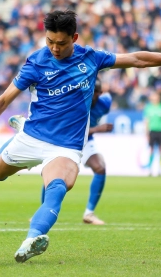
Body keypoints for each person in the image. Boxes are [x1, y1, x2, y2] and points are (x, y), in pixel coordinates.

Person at [0, 10, 161, 263]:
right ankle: (21, 127)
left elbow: (136, 59)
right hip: (31, 138)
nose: (54, 48)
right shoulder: (35, 62)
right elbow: (3, 100)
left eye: (61, 43)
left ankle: (31, 239)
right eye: (50, 41)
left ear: (74, 38)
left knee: (57, 188)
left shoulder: (91, 58)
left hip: (65, 147)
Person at [8, 78, 113, 225]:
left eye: (94, 92)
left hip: (86, 142)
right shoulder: (75, 103)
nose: (90, 94)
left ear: (99, 93)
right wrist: (97, 129)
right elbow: (70, 128)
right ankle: (43, 212)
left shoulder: (105, 103)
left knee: (100, 167)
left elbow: (108, 97)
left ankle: (89, 214)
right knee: (54, 175)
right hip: (66, 141)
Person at [143, 91, 161, 176]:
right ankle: (150, 169)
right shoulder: (148, 108)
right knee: (151, 150)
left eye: (156, 97)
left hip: (160, 131)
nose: (154, 99)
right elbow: (146, 121)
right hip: (152, 131)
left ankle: (160, 170)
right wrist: (146, 133)